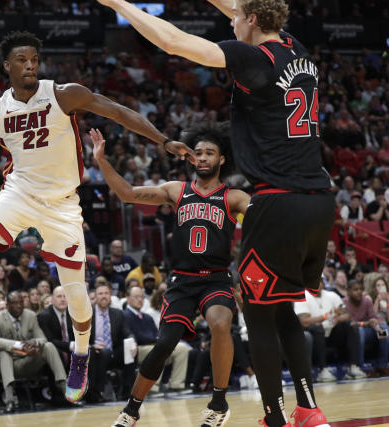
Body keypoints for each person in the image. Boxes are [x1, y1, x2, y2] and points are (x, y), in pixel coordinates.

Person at [0, 31, 194, 403]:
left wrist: (163, 140)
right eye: (22, 59)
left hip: (63, 205)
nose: (30, 64)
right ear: (7, 66)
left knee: (76, 293)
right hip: (18, 194)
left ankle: (79, 355)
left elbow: (117, 111)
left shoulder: (64, 93)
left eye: (34, 58)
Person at [98, 1, 335, 426]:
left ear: (253, 22)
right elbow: (247, 7)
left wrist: (117, 3)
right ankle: (307, 408)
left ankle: (273, 418)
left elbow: (172, 41)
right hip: (320, 199)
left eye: (234, 18)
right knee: (282, 309)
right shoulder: (296, 49)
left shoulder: (251, 56)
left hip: (278, 200)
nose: (230, 21)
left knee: (260, 314)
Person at [90, 125, 249, 426]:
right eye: (198, 153)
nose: (202, 158)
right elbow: (126, 194)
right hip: (182, 280)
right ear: (190, 158)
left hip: (215, 279)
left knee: (220, 322)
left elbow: (265, 218)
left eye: (209, 153)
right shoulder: (176, 191)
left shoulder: (234, 197)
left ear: (222, 159)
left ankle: (218, 403)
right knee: (165, 344)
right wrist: (101, 160)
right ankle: (131, 410)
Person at [0, 291, 67, 412]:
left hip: (26, 362)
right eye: (15, 303)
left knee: (49, 346)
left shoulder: (30, 315)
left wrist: (35, 342)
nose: (19, 306)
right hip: (6, 364)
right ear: (8, 305)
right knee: (4, 352)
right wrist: (18, 346)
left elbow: (42, 338)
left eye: (21, 302)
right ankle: (9, 400)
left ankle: (65, 389)